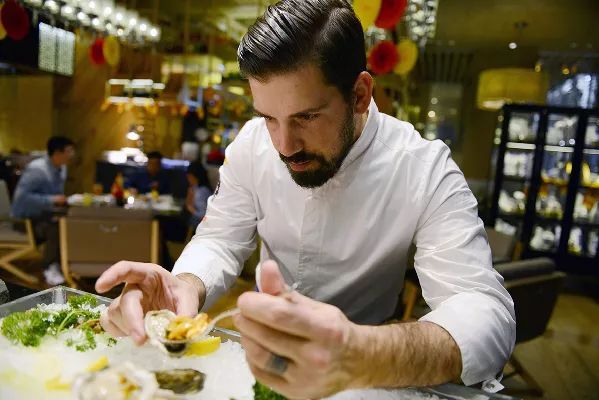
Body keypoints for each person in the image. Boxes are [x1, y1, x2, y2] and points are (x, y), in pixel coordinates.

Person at [96, 1, 516, 398]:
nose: (284, 145)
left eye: (307, 117)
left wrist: (360, 352)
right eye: (268, 118)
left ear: (360, 94)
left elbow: (485, 312)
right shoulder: (251, 145)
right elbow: (221, 239)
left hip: (368, 374)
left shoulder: (424, 169)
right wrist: (183, 285)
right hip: (256, 367)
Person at [11, 136, 75, 285]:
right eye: (69, 151)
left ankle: (64, 263)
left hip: (45, 215)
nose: (72, 154)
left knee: (68, 222)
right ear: (57, 153)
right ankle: (49, 266)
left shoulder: (62, 168)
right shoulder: (37, 170)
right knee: (56, 226)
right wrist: (52, 200)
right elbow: (22, 199)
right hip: (24, 221)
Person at [185, 161, 213, 230]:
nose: (188, 179)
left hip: (198, 226)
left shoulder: (201, 192)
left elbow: (203, 216)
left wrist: (191, 209)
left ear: (195, 176)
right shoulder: (195, 188)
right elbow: (188, 204)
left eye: (189, 177)